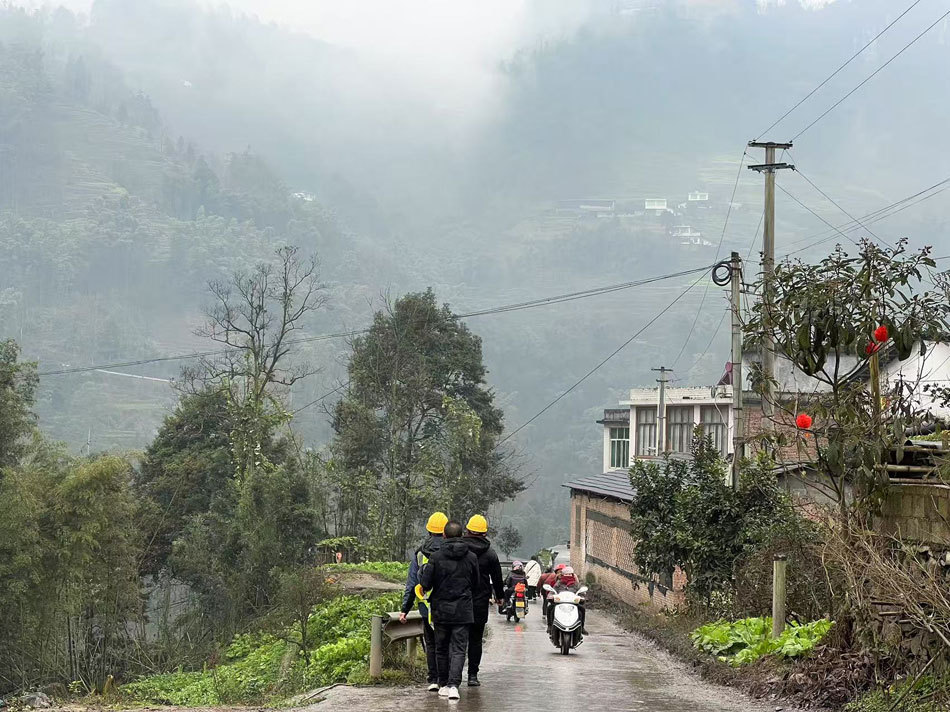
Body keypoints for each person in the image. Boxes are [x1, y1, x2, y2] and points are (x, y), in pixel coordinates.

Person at [419, 520, 480, 701]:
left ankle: (443, 684)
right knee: (459, 649)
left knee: (441, 648)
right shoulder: (471, 557)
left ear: (444, 536)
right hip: (463, 610)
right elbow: (476, 584)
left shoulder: (436, 558)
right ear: (461, 535)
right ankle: (454, 686)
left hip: (441, 610)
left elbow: (426, 584)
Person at [399, 511, 447, 692]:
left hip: (426, 607)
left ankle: (433, 678)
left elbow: (412, 584)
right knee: (447, 643)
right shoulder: (451, 552)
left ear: (428, 531)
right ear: (445, 532)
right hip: (447, 606)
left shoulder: (420, 554)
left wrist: (405, 608)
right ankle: (447, 679)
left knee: (432, 643)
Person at [462, 514, 504, 687]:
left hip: (460, 600)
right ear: (485, 533)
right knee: (476, 639)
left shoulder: (460, 550)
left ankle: (452, 675)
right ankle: (472, 675)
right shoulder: (490, 554)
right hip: (480, 602)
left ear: (468, 530)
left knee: (457, 638)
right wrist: (500, 597)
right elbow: (498, 578)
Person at [545, 565, 587, 635]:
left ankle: (582, 627)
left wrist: (581, 597)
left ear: (573, 575)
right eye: (566, 574)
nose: (568, 575)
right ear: (563, 575)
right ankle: (550, 626)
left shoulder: (576, 584)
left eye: (570, 574)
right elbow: (553, 591)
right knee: (550, 608)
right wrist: (551, 596)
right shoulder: (559, 583)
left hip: (573, 603)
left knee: (582, 609)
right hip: (560, 603)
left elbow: (581, 592)